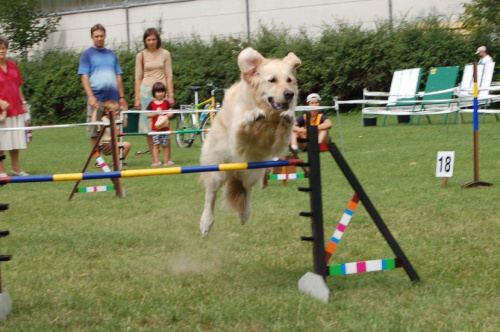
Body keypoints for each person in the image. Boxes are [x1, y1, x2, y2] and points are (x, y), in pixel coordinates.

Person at [78, 24, 128, 150]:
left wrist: (121, 97)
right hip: (97, 97)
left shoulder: (111, 54)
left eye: (101, 36)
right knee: (95, 130)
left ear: (105, 36)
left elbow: (118, 76)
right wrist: (90, 97)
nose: (99, 39)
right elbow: (84, 76)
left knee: (115, 128)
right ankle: (97, 160)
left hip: (113, 99)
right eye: (96, 36)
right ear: (92, 37)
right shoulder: (87, 54)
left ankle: (117, 159)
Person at [134, 27, 174, 154]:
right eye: (148, 39)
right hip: (146, 91)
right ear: (145, 41)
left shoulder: (165, 54)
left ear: (158, 40)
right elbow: (138, 78)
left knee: (164, 122)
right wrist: (137, 98)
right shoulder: (140, 56)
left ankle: (167, 155)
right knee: (148, 125)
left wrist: (171, 95)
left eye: (153, 39)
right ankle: (154, 153)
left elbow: (169, 75)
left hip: (161, 91)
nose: (151, 42)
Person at [0, 36, 30, 177]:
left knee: (15, 139)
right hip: (2, 112)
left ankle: (15, 168)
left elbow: (18, 85)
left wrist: (23, 102)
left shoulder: (12, 65)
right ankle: (1, 170)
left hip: (15, 107)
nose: (2, 50)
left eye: (4, 48)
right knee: (1, 141)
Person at [94, 100, 131, 167]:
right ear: (107, 111)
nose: (117, 112)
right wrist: (95, 110)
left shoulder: (117, 118)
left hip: (115, 142)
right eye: (115, 110)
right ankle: (114, 162)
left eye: (117, 110)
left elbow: (125, 124)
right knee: (119, 144)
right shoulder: (103, 120)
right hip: (105, 145)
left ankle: (118, 162)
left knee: (127, 145)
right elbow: (93, 123)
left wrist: (124, 113)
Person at [145, 82, 174, 166]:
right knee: (155, 145)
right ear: (154, 93)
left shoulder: (166, 102)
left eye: (162, 91)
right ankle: (156, 162)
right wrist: (156, 114)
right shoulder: (151, 103)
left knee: (165, 146)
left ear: (164, 92)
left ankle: (166, 162)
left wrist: (165, 116)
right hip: (155, 130)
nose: (160, 94)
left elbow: (171, 113)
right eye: (158, 92)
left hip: (165, 129)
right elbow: (147, 114)